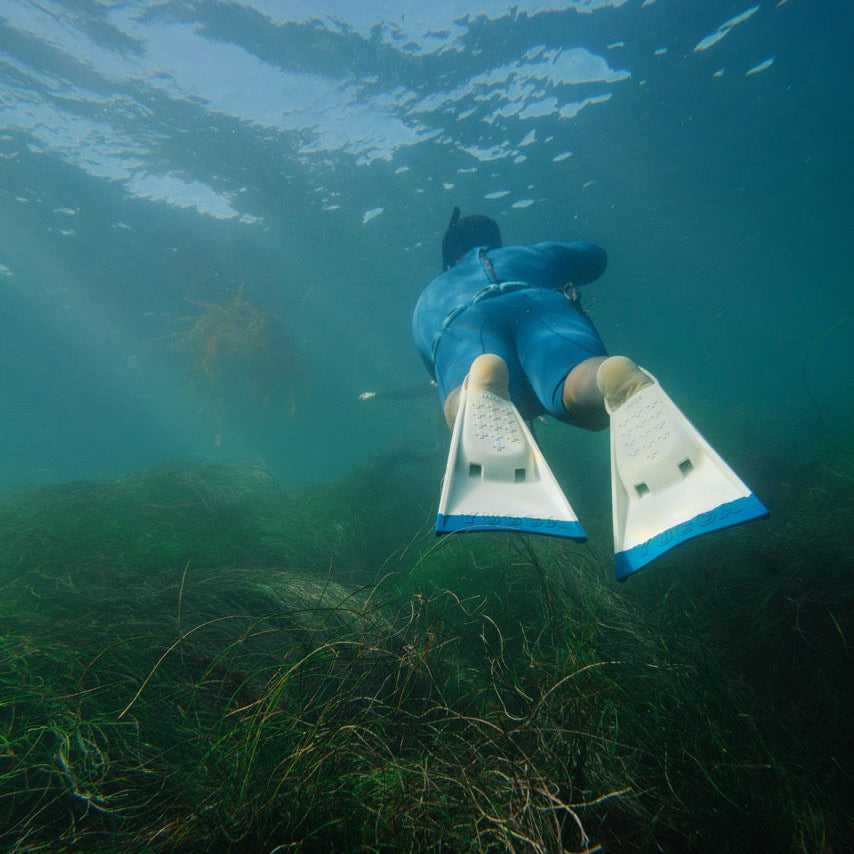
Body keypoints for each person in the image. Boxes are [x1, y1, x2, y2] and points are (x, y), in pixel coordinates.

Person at [412, 206, 652, 432]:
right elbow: (595, 256)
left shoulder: (428, 298)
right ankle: (603, 376)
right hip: (540, 305)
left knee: (464, 397)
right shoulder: (532, 254)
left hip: (463, 323)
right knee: (576, 377)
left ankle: (475, 389)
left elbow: (436, 367)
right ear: (495, 241)